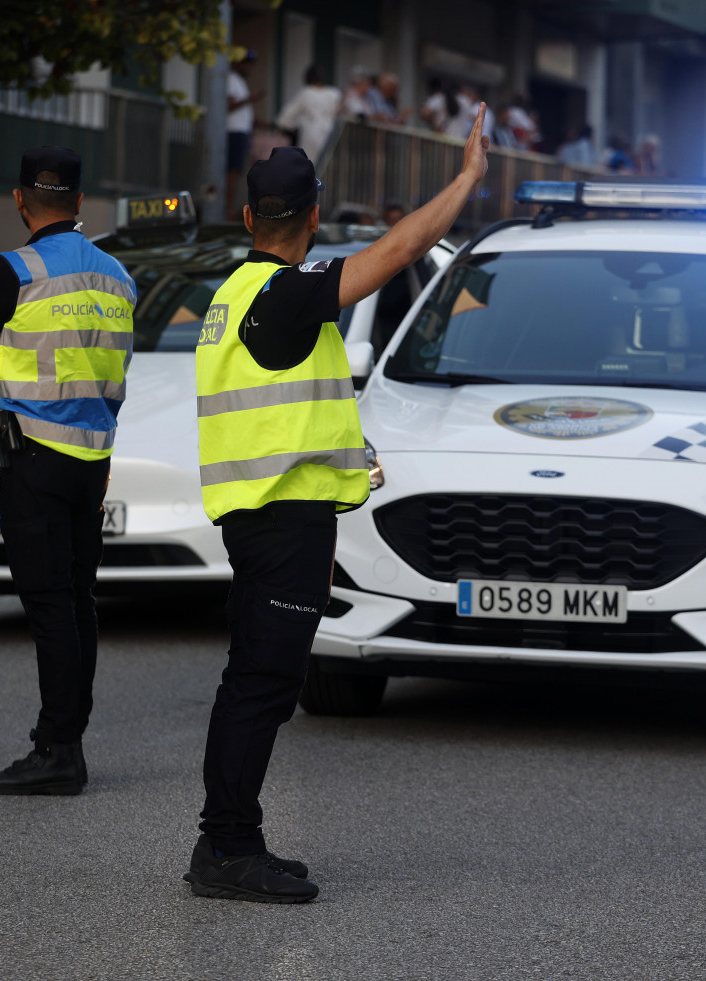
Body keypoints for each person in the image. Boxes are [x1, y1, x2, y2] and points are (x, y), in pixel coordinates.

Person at [185, 107, 490, 904]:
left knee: (252, 677)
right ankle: (225, 846)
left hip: (268, 511)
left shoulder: (236, 290)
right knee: (261, 681)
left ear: (250, 216)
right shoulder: (283, 295)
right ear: (314, 216)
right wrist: (464, 180)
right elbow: (396, 251)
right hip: (279, 514)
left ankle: (228, 837)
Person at [0, 146, 136, 795]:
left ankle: (58, 748)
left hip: (33, 456)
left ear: (19, 199)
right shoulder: (119, 276)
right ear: (81, 201)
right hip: (92, 459)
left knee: (48, 604)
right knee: (77, 600)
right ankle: (70, 735)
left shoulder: (15, 268)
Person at [275, 64, 341, 164]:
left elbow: (286, 116)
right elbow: (338, 113)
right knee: (327, 166)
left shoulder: (306, 93)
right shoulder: (334, 93)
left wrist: (292, 126)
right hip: (329, 133)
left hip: (310, 134)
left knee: (309, 166)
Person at [227, 50, 265, 220]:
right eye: (246, 63)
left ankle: (231, 210)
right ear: (237, 63)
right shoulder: (230, 79)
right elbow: (229, 105)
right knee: (232, 173)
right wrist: (252, 98)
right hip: (233, 131)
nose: (249, 67)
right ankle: (227, 212)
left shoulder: (240, 82)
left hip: (242, 131)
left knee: (237, 172)